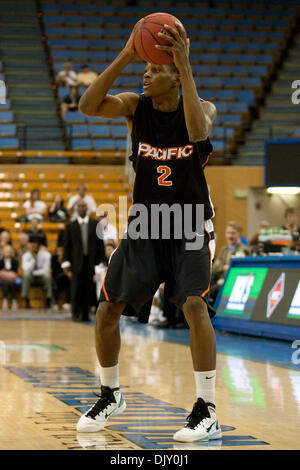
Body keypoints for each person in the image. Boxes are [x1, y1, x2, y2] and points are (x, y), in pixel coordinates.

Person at [76, 21, 221, 443]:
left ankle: (206, 408)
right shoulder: (133, 108)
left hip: (190, 223)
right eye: (147, 68)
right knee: (106, 312)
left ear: (176, 74)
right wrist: (126, 53)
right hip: (146, 225)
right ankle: (110, 393)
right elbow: (87, 106)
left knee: (194, 305)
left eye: (156, 69)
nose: (146, 73)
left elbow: (197, 132)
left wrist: (184, 66)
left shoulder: (202, 106)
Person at [62, 200, 105, 322]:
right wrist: (66, 264)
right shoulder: (70, 225)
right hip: (76, 263)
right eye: (80, 206)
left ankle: (85, 314)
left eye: (84, 206)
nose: (82, 208)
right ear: (76, 208)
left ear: (87, 209)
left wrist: (100, 262)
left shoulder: (95, 224)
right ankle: (75, 313)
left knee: (88, 289)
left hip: (90, 262)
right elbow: (67, 246)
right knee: (76, 289)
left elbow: (100, 246)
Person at [210, 221, 250, 302]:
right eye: (228, 233)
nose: (230, 236)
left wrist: (221, 266)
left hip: (233, 282)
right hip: (218, 281)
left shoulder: (244, 250)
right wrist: (224, 267)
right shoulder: (224, 249)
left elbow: (236, 271)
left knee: (212, 291)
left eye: (233, 233)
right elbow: (214, 269)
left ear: (239, 234)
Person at [21, 237, 52, 309]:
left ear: (39, 247)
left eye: (36, 247)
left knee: (48, 276)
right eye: (32, 247)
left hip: (41, 276)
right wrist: (33, 259)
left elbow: (46, 270)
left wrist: (35, 273)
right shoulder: (26, 256)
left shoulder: (46, 255)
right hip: (31, 277)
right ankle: (26, 299)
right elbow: (26, 269)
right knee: (26, 276)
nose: (34, 248)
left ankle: (48, 298)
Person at [51, 245, 70, 311]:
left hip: (65, 277)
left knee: (69, 281)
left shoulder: (67, 258)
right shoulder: (54, 258)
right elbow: (53, 271)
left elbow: (67, 270)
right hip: (57, 277)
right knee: (56, 281)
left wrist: (63, 260)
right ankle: (55, 302)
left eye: (61, 251)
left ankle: (68, 302)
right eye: (58, 251)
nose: (60, 252)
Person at [0, 245, 19, 310]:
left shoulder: (14, 261)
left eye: (8, 251)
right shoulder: (1, 261)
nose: (7, 252)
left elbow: (15, 271)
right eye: (6, 251)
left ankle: (14, 301)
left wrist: (7, 272)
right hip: (2, 279)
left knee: (12, 283)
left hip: (12, 278)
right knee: (6, 283)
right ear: (3, 252)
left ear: (11, 252)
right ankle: (4, 301)